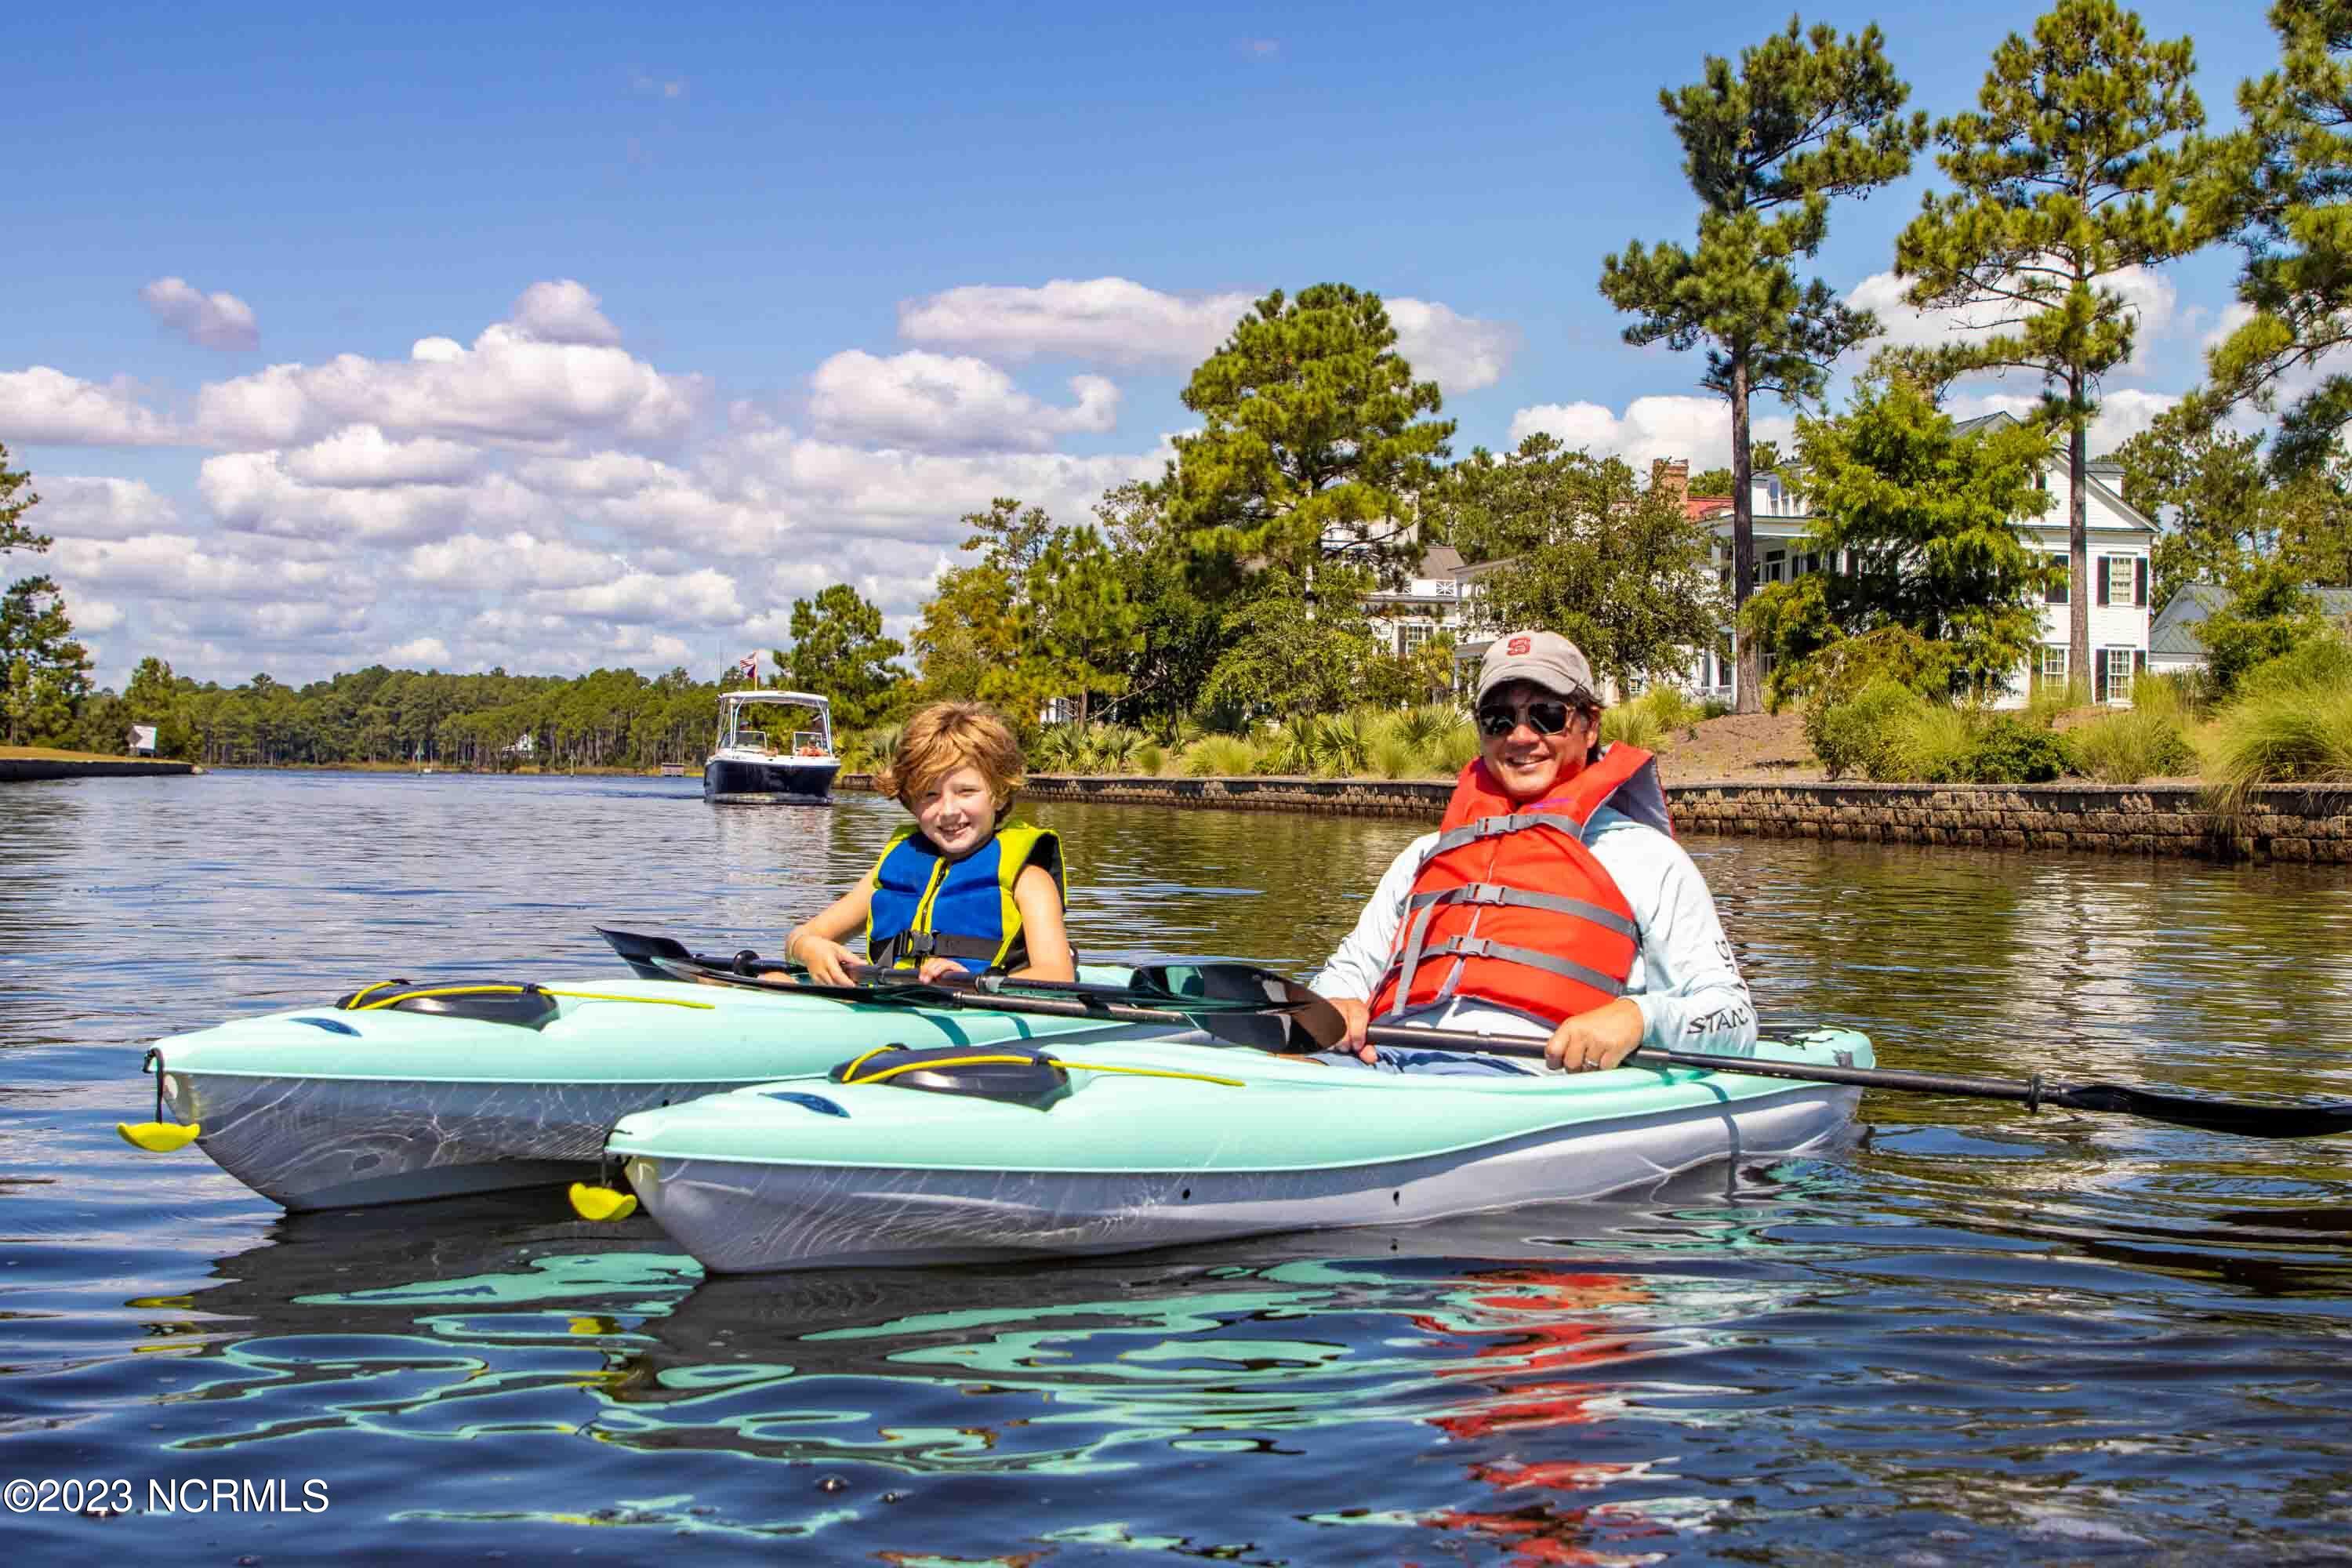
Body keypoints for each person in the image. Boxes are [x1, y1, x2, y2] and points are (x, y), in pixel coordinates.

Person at [1312, 630, 1756, 1074]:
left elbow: (1734, 1017)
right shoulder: (1425, 855)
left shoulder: (1648, 860)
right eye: (1498, 719)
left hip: (1528, 1081)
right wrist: (1336, 1002)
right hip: (1385, 1062)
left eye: (1546, 715)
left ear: (1591, 724)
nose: (1521, 737)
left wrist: (1640, 1018)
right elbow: (1347, 972)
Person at [786, 701, 1076, 987]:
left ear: (998, 794)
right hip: (891, 1006)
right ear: (910, 801)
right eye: (930, 794)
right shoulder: (890, 871)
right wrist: (810, 950)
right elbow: (799, 938)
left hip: (979, 1011)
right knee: (774, 977)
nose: (948, 810)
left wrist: (968, 982)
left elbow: (1056, 975)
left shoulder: (1029, 881)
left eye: (966, 791)